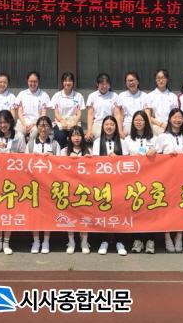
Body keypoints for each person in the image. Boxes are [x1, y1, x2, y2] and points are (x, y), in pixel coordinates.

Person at [0, 109, 26, 255]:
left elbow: (24, 157)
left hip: (13, 179)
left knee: (9, 211)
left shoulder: (19, 136)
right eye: (0, 122)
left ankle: (7, 243)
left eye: (5, 122)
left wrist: (13, 155)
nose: (3, 125)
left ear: (11, 123)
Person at [92, 115, 128, 256]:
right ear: (102, 126)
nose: (109, 127)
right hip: (102, 183)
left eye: (112, 124)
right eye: (106, 124)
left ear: (116, 127)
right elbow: (94, 162)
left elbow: (129, 161)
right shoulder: (97, 142)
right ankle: (104, 241)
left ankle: (120, 241)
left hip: (120, 183)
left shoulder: (123, 142)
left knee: (119, 212)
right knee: (104, 212)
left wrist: (118, 159)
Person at [124, 110, 158, 254]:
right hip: (134, 180)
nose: (139, 122)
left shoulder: (155, 138)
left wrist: (155, 151)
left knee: (151, 210)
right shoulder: (127, 140)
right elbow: (123, 159)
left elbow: (163, 154)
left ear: (146, 122)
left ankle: (150, 240)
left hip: (152, 179)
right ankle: (137, 240)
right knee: (136, 209)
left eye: (142, 120)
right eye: (136, 120)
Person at [27, 116, 61, 254]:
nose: (43, 128)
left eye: (46, 125)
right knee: (35, 213)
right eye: (41, 125)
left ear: (50, 128)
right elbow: (25, 163)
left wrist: (51, 158)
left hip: (49, 184)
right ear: (37, 127)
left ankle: (46, 241)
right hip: (34, 184)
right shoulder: (30, 144)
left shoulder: (55, 144)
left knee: (48, 213)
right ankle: (36, 241)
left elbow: (60, 164)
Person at [158, 108, 183, 253]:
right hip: (167, 177)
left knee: (181, 207)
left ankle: (179, 236)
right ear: (170, 119)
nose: (177, 120)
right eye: (175, 117)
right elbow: (157, 156)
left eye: (180, 118)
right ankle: (167, 236)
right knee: (167, 207)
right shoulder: (163, 136)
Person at [61, 126, 91, 254]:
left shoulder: (88, 151)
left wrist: (90, 160)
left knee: (84, 215)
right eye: (73, 135)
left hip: (84, 189)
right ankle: (71, 241)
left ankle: (84, 241)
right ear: (69, 138)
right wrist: (68, 159)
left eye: (79, 135)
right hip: (69, 188)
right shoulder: (63, 151)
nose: (76, 138)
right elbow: (58, 168)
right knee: (70, 215)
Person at [51, 72, 85, 148]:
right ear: (62, 82)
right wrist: (62, 121)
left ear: (73, 82)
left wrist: (74, 122)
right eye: (65, 81)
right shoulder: (57, 96)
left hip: (74, 121)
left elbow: (79, 113)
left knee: (77, 136)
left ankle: (75, 152)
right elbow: (56, 113)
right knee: (60, 135)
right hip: (60, 121)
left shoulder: (78, 96)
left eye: (70, 81)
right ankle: (61, 153)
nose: (67, 83)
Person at [15, 71, 50, 141]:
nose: (33, 84)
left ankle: (30, 147)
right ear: (27, 81)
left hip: (37, 123)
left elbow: (43, 114)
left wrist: (34, 124)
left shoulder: (44, 95)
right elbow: (20, 112)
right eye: (31, 81)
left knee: (34, 133)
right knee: (18, 135)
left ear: (38, 82)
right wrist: (25, 124)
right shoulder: (22, 94)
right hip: (23, 122)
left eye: (35, 81)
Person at [114, 71, 150, 138]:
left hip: (141, 125)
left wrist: (148, 128)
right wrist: (120, 131)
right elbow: (119, 115)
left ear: (138, 82)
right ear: (126, 83)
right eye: (128, 81)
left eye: (132, 80)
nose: (131, 83)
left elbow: (147, 114)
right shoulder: (121, 96)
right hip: (128, 124)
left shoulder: (144, 96)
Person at [85, 73, 118, 142]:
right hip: (98, 123)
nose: (104, 86)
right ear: (97, 84)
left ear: (109, 85)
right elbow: (90, 115)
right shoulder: (92, 96)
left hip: (110, 124)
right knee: (99, 135)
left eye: (106, 84)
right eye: (102, 84)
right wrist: (89, 131)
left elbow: (117, 115)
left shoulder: (114, 96)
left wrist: (119, 129)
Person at [147, 69, 179, 136]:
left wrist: (170, 125)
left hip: (171, 125)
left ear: (167, 79)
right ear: (155, 80)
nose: (161, 80)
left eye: (163, 78)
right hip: (155, 126)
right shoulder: (150, 96)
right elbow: (148, 115)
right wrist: (160, 124)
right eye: (158, 78)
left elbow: (176, 115)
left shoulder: (173, 96)